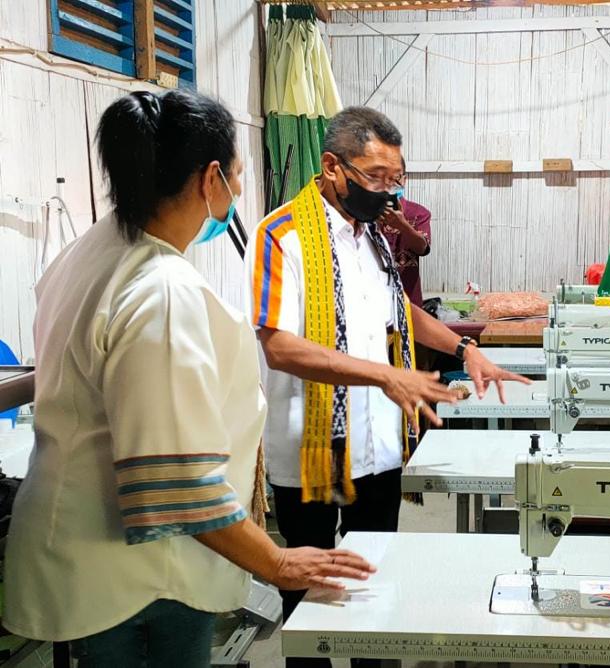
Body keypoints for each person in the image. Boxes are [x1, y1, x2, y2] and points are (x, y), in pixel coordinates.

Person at [2, 90, 375, 668]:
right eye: (239, 175)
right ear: (210, 180)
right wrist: (278, 563)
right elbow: (174, 484)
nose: (242, 192)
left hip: (81, 544)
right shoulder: (162, 293)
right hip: (137, 573)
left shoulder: (89, 251)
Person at [247, 106, 528, 667]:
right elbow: (278, 346)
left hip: (376, 447)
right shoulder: (281, 236)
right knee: (311, 603)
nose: (386, 191)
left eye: (395, 179)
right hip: (311, 452)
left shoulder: (372, 236)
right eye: (374, 177)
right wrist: (384, 374)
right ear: (332, 167)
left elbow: (403, 311)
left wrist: (466, 350)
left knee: (376, 589)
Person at [379, 159, 431, 308]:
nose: (389, 183)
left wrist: (403, 225)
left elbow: (423, 249)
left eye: (395, 177)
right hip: (374, 301)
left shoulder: (419, 214)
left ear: (404, 179)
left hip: (409, 300)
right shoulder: (364, 214)